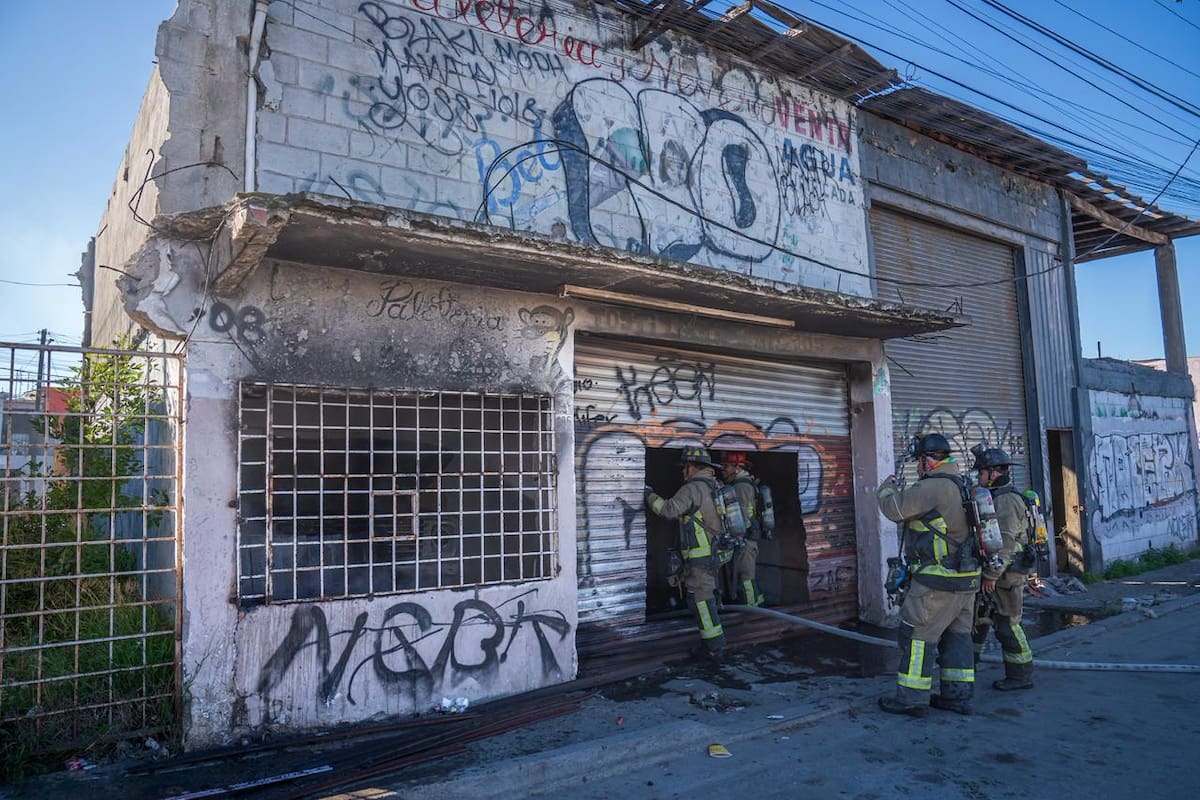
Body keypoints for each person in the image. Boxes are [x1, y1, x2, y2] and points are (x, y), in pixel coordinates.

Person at [876, 433, 982, 717]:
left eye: (918, 461)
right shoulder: (963, 484)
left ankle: (911, 699)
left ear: (927, 460)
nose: (917, 467)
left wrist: (885, 490)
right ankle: (957, 697)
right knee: (958, 639)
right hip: (967, 579)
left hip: (936, 582)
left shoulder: (934, 486)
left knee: (918, 637)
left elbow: (894, 509)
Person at [645, 446, 726, 661]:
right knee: (706, 598)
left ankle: (714, 648)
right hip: (714, 554)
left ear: (692, 467)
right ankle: (711, 645)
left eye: (685, 467)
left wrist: (649, 495)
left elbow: (668, 509)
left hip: (700, 558)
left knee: (701, 601)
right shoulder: (715, 485)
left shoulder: (693, 488)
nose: (683, 472)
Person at [971, 447, 1035, 691]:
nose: (979, 477)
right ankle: (968, 664)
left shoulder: (1006, 500)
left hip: (1006, 576)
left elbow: (1006, 544)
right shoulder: (996, 496)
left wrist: (991, 575)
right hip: (997, 574)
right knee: (980, 621)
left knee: (1007, 624)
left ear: (994, 473)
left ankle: (1021, 675)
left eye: (981, 472)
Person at [720, 452, 765, 607]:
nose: (723, 469)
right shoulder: (743, 484)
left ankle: (752, 611)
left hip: (745, 540)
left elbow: (743, 516)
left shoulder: (741, 486)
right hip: (746, 539)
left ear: (737, 467)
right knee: (746, 576)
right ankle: (757, 604)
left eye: (726, 466)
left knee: (746, 577)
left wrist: (737, 538)